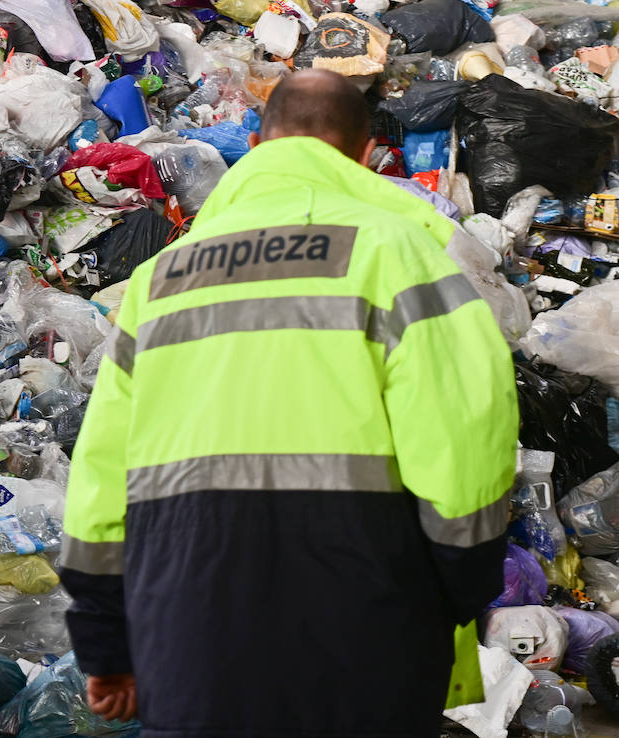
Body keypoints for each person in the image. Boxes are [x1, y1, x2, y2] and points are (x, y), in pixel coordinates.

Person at [60, 69, 518, 738]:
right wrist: (458, 594)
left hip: (186, 647)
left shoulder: (159, 281)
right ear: (365, 157)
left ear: (255, 141)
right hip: (366, 641)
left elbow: (100, 481)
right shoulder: (399, 253)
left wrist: (106, 643)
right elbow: (467, 449)